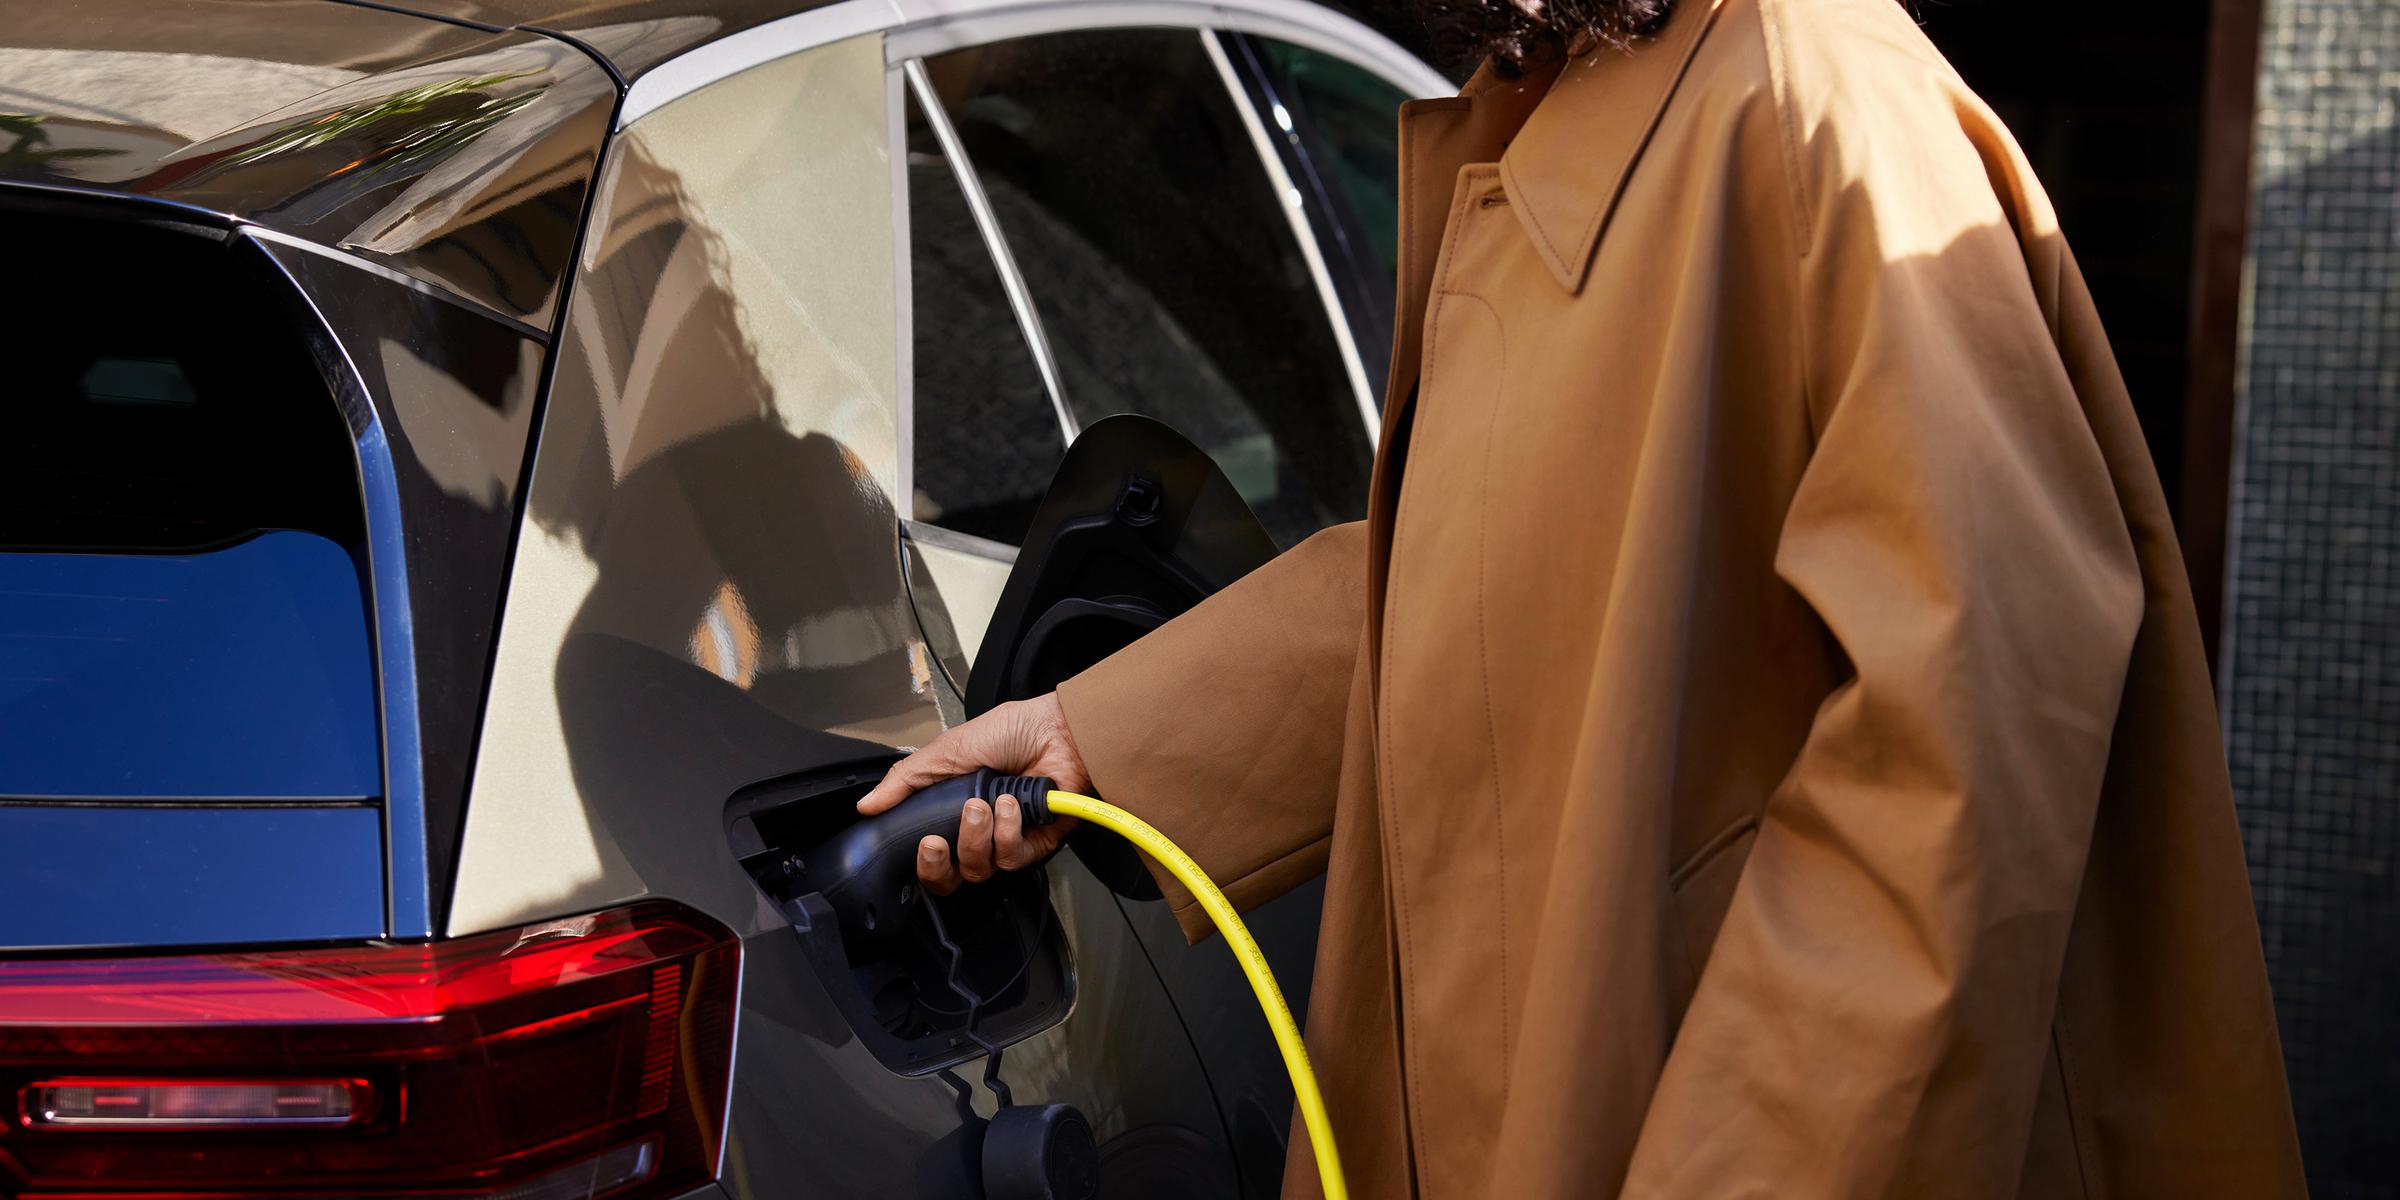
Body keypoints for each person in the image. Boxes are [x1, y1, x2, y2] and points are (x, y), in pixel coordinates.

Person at [859, 0, 2308, 1193]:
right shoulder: (1580, 101)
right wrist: (1099, 736)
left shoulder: (1815, 103)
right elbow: (1507, 572)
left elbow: (1980, 731)